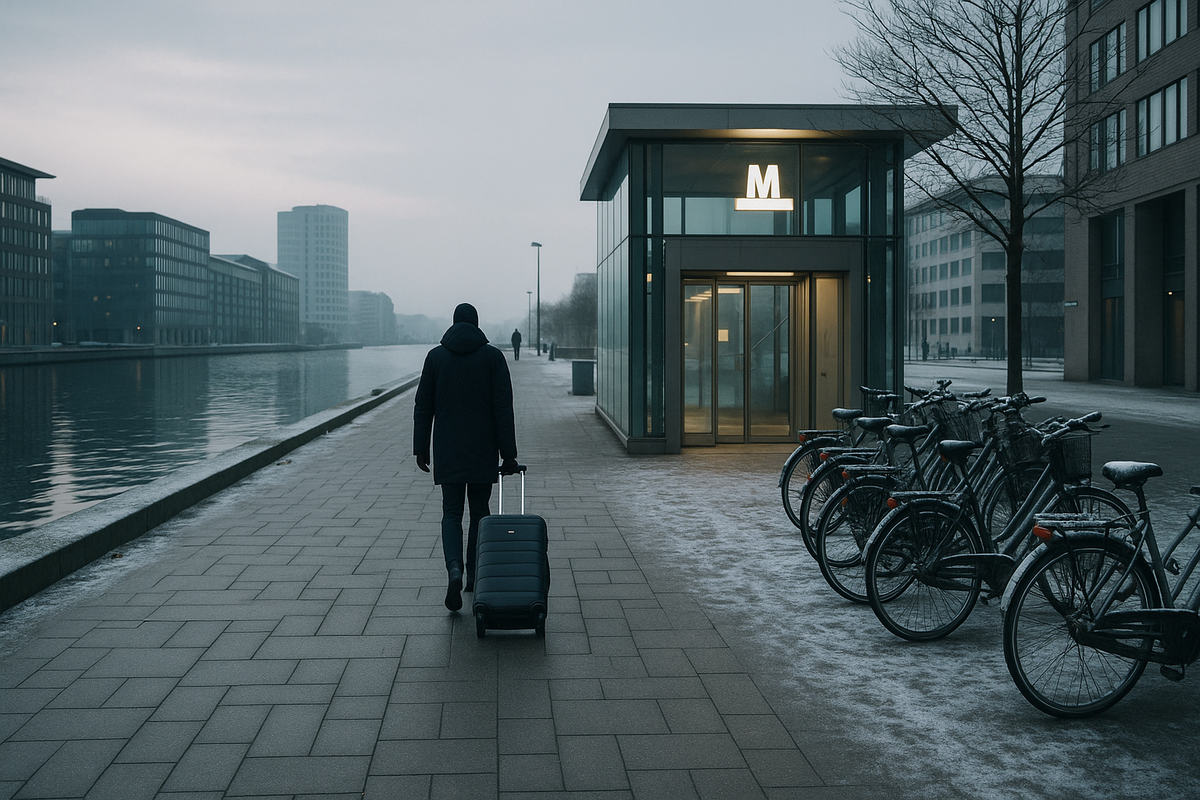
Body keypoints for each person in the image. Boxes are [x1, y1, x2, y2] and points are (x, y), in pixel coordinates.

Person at [414, 303, 520, 612]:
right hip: (482, 449)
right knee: (479, 512)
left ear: (453, 323)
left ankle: (453, 569)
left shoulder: (435, 357)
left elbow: (423, 406)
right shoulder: (493, 358)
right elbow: (503, 408)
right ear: (476, 323)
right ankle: (474, 575)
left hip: (447, 449)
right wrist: (509, 455)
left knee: (451, 513)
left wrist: (421, 447)